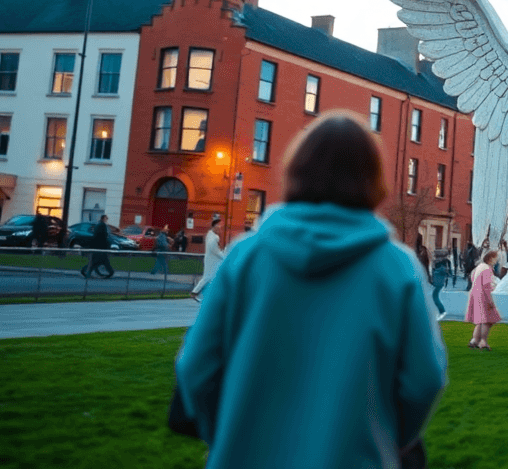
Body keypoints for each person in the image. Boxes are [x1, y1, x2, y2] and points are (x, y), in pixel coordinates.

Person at [175, 112, 446, 468]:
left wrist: (226, 433)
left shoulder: (246, 256)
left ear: (296, 169)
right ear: (372, 178)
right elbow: (424, 378)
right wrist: (389, 437)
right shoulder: (397, 268)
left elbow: (196, 366)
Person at [465, 250, 502, 350]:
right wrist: (490, 300)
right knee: (487, 320)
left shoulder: (479, 267)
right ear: (490, 258)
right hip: (483, 296)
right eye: (495, 258)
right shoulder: (487, 269)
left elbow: (473, 278)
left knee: (480, 321)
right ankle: (483, 342)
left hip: (475, 294)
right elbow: (486, 286)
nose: (496, 260)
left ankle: (474, 340)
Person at [191, 218, 223, 301]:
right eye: (218, 227)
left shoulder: (210, 235)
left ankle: (197, 293)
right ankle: (195, 292)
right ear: (215, 227)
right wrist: (224, 256)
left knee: (209, 278)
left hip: (211, 260)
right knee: (208, 277)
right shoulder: (214, 237)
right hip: (212, 261)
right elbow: (215, 250)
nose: (219, 229)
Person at [82, 214, 114, 279]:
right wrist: (107, 244)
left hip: (97, 246)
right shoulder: (103, 225)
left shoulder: (97, 225)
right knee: (101, 261)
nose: (107, 220)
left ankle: (85, 272)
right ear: (103, 218)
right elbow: (104, 236)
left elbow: (96, 236)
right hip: (102, 247)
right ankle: (110, 273)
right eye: (106, 218)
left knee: (96, 262)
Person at [430, 251, 451, 320]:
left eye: (434, 255)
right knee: (434, 296)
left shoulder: (439, 264)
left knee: (435, 297)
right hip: (438, 283)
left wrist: (435, 272)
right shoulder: (440, 263)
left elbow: (444, 273)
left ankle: (442, 311)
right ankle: (441, 311)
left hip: (438, 283)